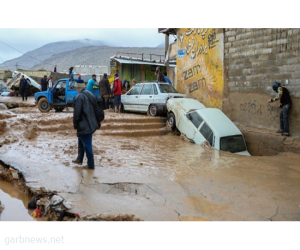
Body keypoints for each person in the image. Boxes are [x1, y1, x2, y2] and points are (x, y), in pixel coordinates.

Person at [72, 82, 99, 170]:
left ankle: (91, 165)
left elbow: (77, 113)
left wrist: (75, 124)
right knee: (81, 140)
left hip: (84, 125)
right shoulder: (89, 94)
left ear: (78, 88)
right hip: (91, 123)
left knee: (87, 144)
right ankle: (79, 159)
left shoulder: (79, 97)